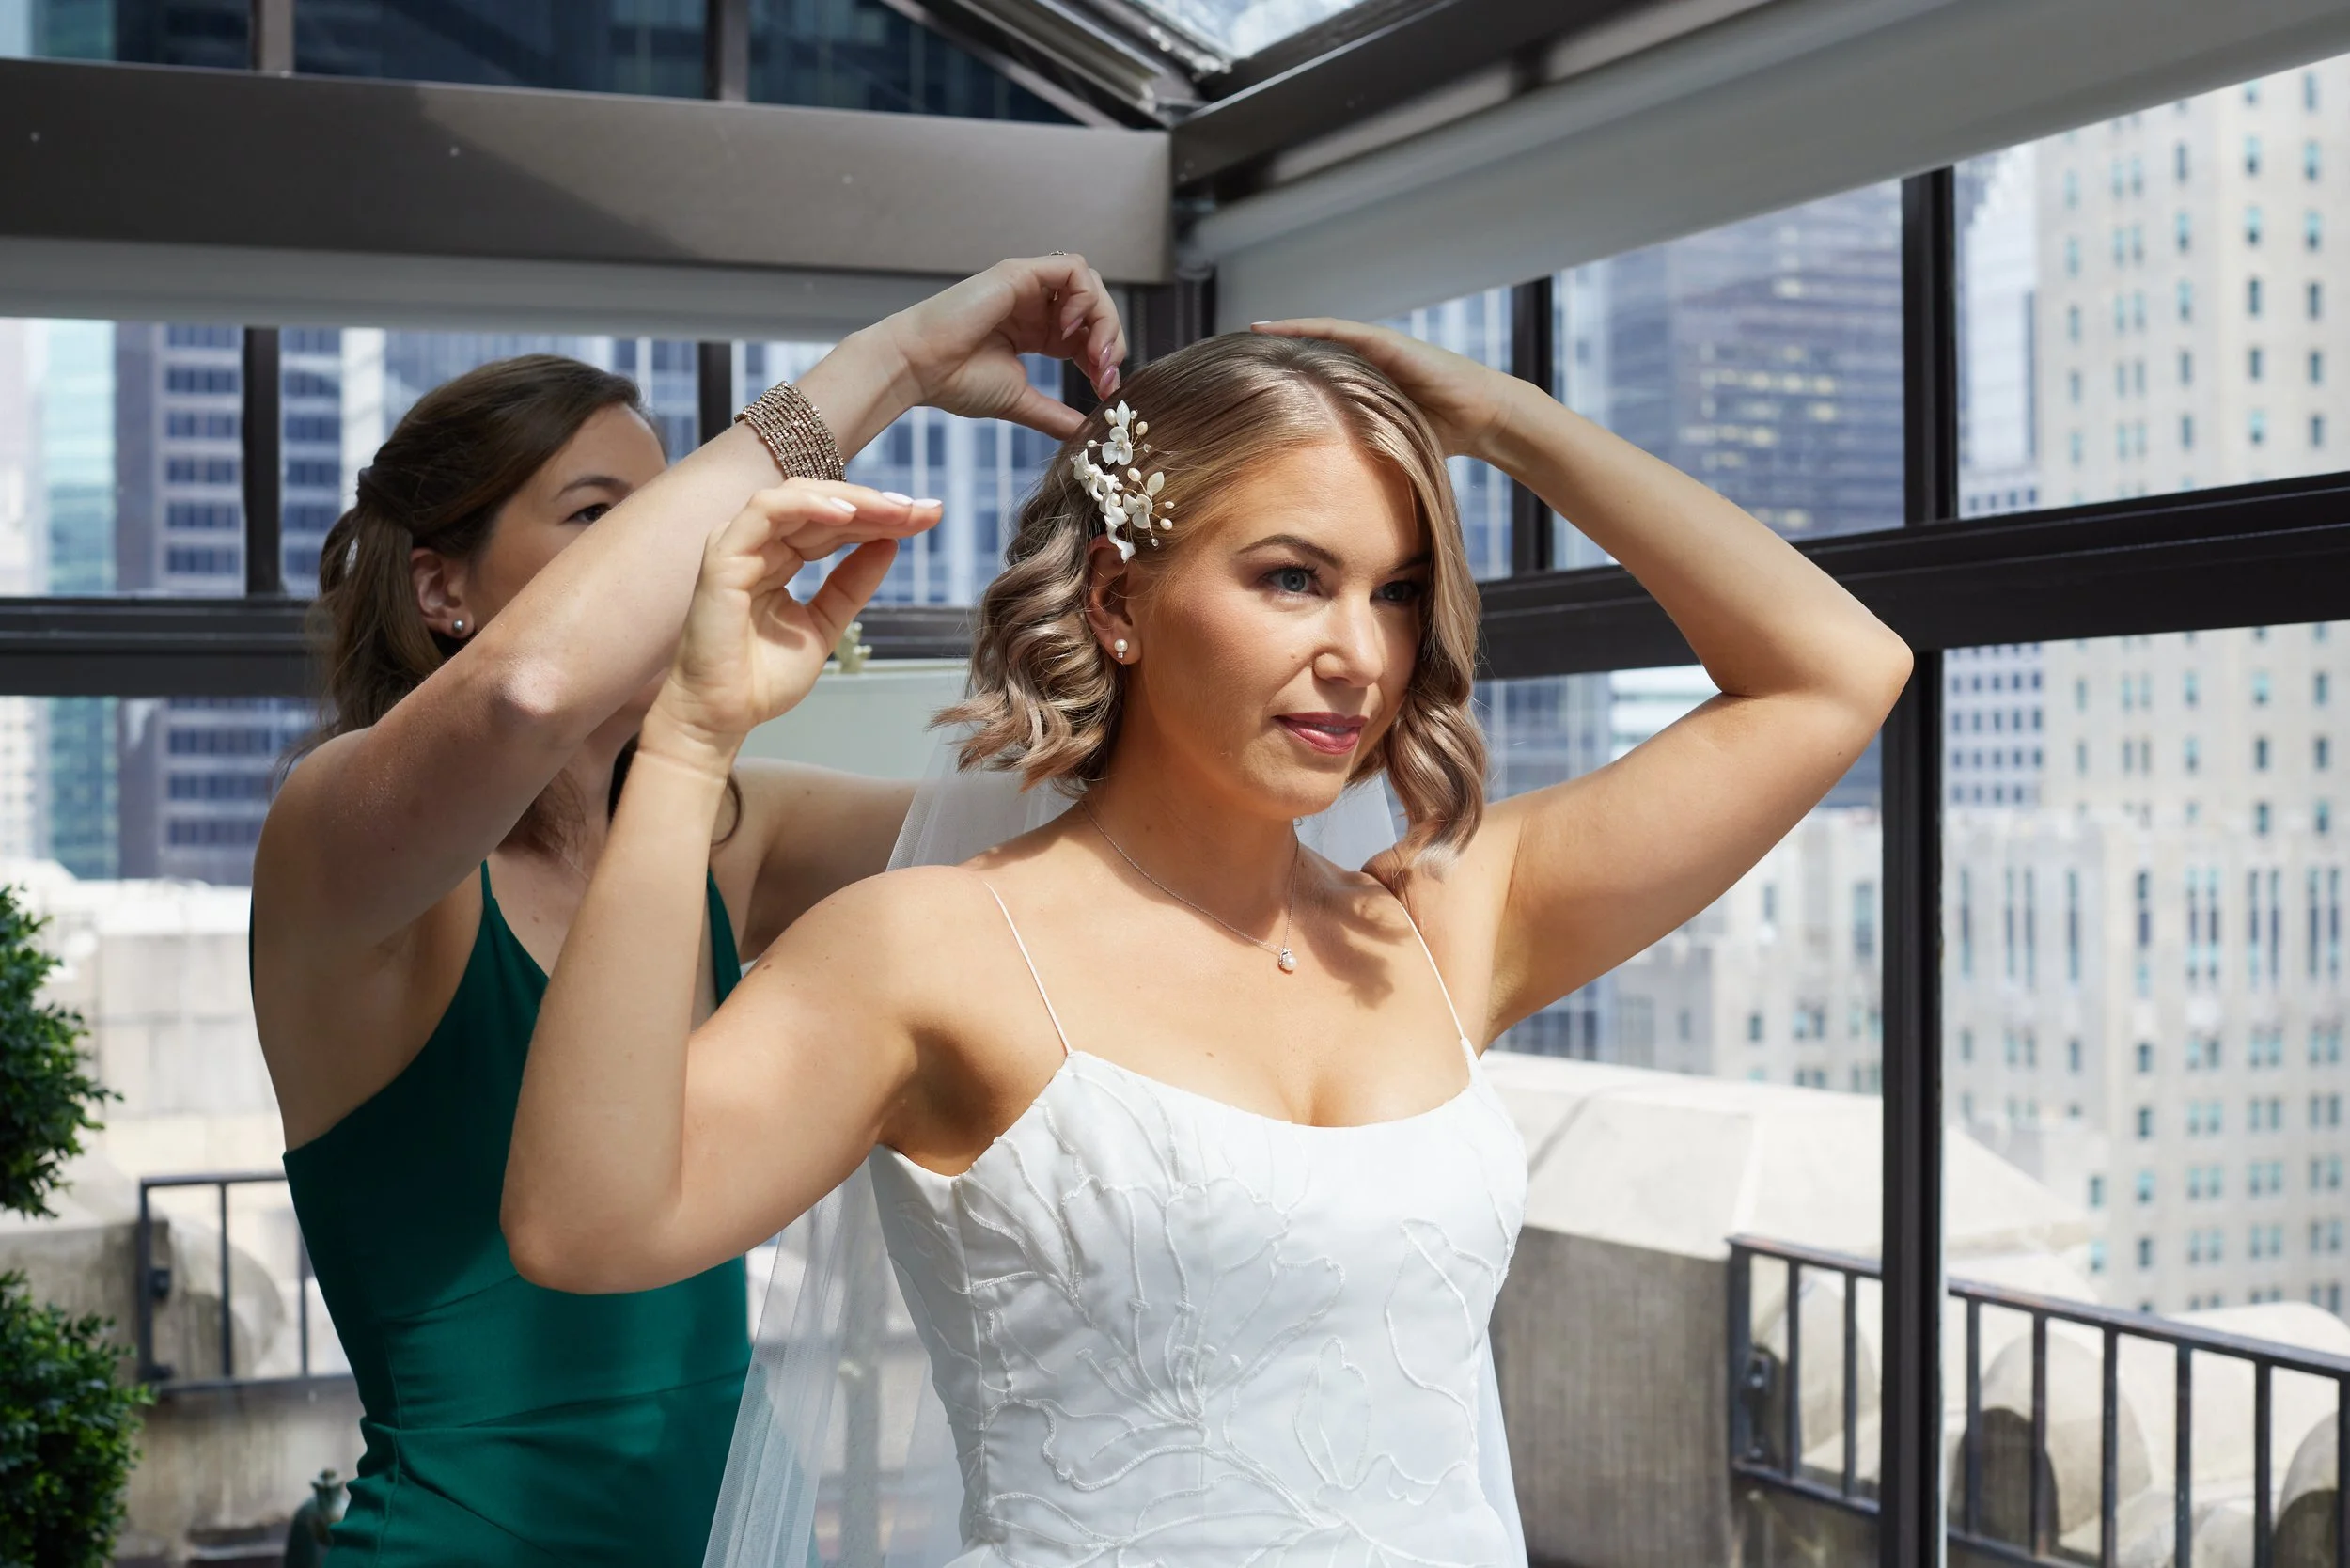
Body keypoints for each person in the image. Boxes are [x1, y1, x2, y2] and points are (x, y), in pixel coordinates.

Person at [502, 320, 1913, 1565]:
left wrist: (1506, 423)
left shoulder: (1435, 926)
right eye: (1295, 577)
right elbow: (583, 1226)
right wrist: (691, 735)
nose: (1364, 653)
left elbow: (1839, 672)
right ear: (1117, 601)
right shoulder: (930, 949)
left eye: (1400, 588)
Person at [249, 256, 1129, 1566]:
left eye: (669, 515)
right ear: (444, 591)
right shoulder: (342, 844)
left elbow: (1058, 827)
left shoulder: (724, 835)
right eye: (603, 520)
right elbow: (527, 692)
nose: (675, 552)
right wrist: (892, 364)